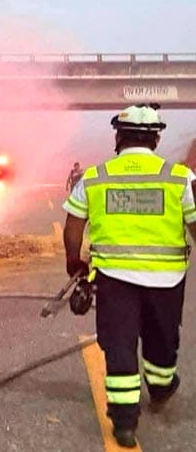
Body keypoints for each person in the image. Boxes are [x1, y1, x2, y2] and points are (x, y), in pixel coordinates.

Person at [62, 104, 196, 447]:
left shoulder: (95, 177)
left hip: (114, 279)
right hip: (166, 281)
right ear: (156, 138)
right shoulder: (179, 178)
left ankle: (124, 423)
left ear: (118, 136)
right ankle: (162, 385)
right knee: (162, 340)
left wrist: (74, 262)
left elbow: (74, 226)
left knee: (119, 344)